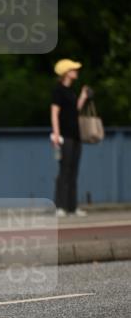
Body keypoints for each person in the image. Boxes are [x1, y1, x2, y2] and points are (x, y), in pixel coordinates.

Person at [51, 58, 92, 217]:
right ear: (66, 72)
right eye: (73, 69)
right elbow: (55, 113)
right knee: (64, 171)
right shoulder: (58, 90)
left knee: (74, 171)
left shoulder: (71, 91)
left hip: (76, 136)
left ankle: (72, 207)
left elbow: (75, 110)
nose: (76, 71)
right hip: (64, 136)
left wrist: (82, 96)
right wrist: (56, 134)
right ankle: (60, 206)